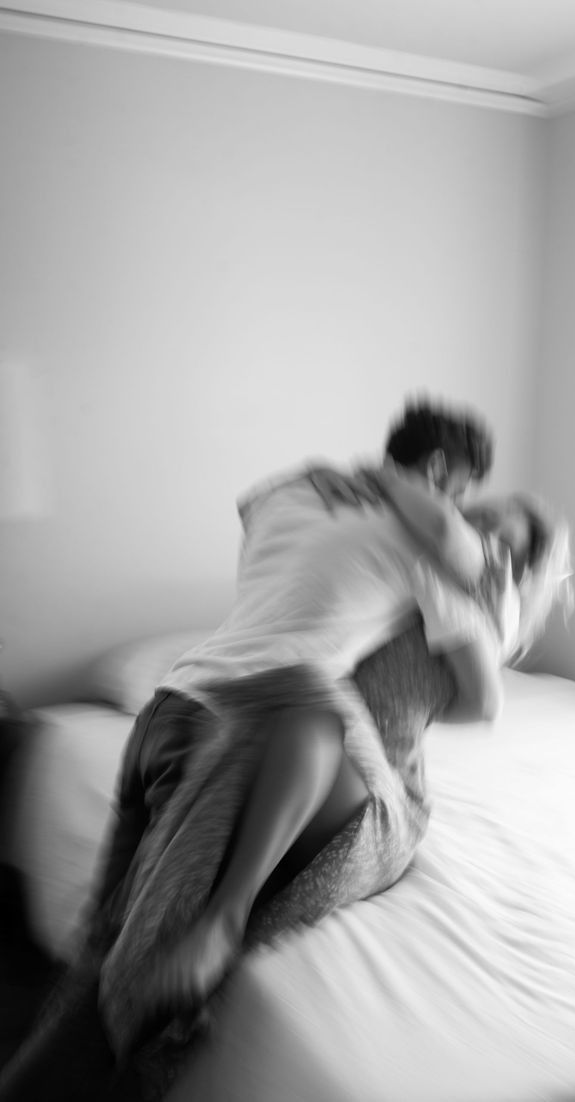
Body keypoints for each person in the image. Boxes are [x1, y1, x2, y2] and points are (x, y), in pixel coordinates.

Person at [0, 398, 500, 1100]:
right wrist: (409, 503)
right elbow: (470, 585)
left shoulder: (291, 490)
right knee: (143, 973)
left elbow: (278, 566)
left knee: (109, 932)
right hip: (259, 722)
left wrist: (358, 476)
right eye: (464, 490)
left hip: (172, 707)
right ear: (445, 471)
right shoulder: (425, 542)